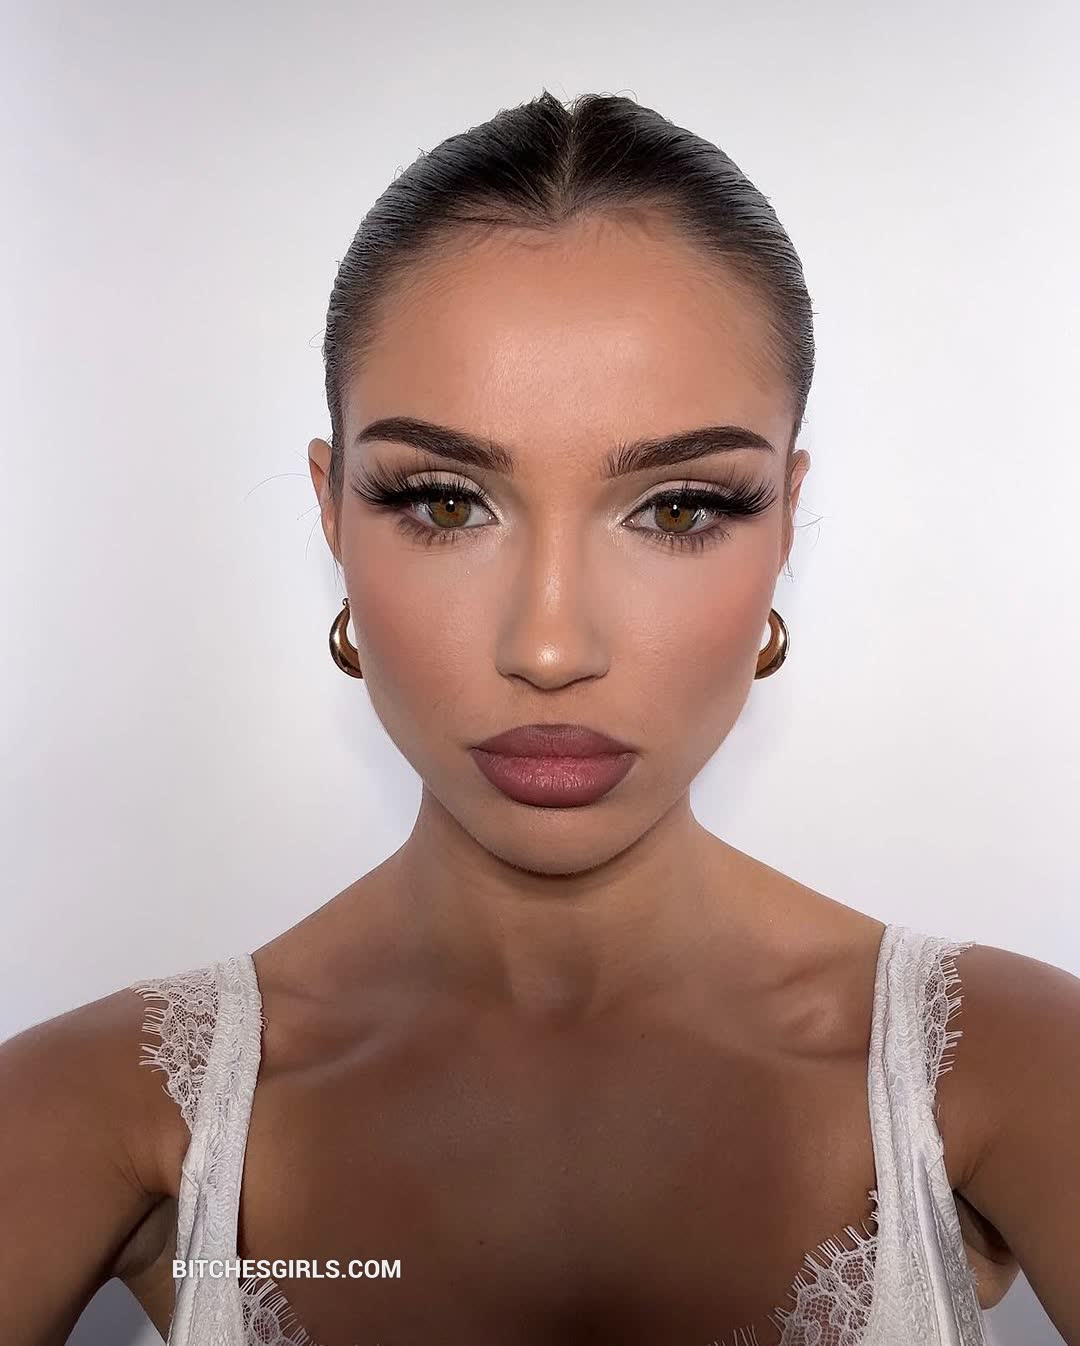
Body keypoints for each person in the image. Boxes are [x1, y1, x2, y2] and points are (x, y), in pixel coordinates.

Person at [2, 89, 1078, 1346]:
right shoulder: (104, 1108)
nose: (551, 647)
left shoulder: (1009, 1068)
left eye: (681, 507)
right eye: (444, 500)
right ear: (332, 511)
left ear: (787, 516)